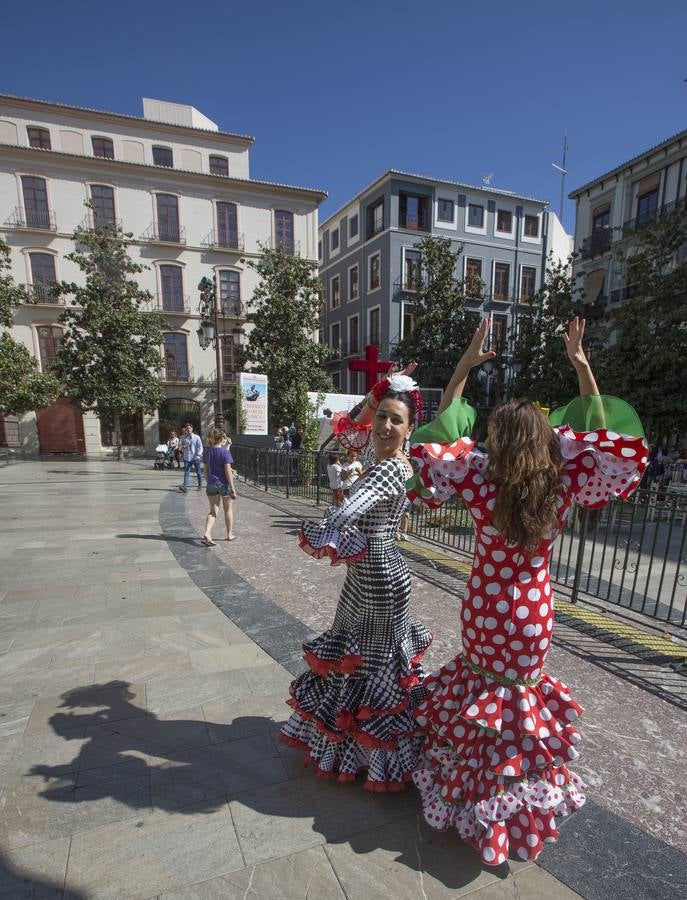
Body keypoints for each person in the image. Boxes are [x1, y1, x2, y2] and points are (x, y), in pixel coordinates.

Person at [406, 318, 648, 866]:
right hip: (533, 613)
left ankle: (470, 800)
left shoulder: (476, 478)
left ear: (498, 442)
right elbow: (602, 437)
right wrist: (582, 366)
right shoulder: (560, 485)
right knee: (519, 705)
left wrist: (464, 367)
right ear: (544, 444)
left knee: (478, 695)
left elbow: (444, 429)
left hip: (485, 606)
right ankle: (518, 806)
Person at [280, 371, 432, 791]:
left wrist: (326, 527)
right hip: (365, 573)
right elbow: (346, 434)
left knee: (374, 663)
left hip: (381, 576)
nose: (385, 426)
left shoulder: (387, 470)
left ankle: (381, 762)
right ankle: (352, 747)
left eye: (395, 420)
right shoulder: (380, 461)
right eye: (381, 416)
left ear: (409, 428)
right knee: (352, 656)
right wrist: (376, 391)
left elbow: (350, 512)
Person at [201, 427, 237, 546]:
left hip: (211, 484)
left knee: (213, 511)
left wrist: (210, 481)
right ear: (222, 438)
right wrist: (232, 487)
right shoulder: (225, 453)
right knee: (228, 510)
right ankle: (229, 534)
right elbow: (228, 472)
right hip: (224, 485)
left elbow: (205, 472)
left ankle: (207, 532)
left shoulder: (207, 452)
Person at [179, 423, 203, 492]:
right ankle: (185, 487)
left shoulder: (197, 437)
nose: (188, 429)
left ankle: (200, 485)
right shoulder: (183, 437)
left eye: (189, 428)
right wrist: (183, 447)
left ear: (192, 429)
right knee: (186, 472)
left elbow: (200, 446)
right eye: (187, 429)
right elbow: (180, 446)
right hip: (187, 457)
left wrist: (199, 453)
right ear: (185, 430)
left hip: (196, 457)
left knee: (198, 472)